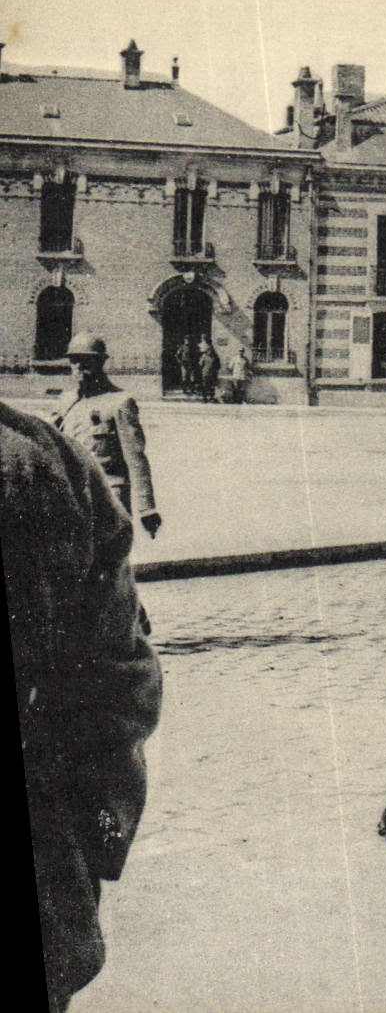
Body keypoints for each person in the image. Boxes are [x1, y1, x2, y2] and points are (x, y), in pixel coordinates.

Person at [5, 401, 163, 1013]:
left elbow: (135, 460)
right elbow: (115, 693)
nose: (78, 373)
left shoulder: (60, 446)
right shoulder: (46, 449)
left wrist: (144, 507)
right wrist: (94, 842)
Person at [53, 334, 161, 538]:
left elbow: (136, 459)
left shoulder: (119, 402)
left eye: (86, 361)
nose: (79, 367)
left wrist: (147, 509)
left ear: (101, 362)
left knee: (106, 564)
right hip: (72, 499)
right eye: (74, 361)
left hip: (109, 499)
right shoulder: (65, 402)